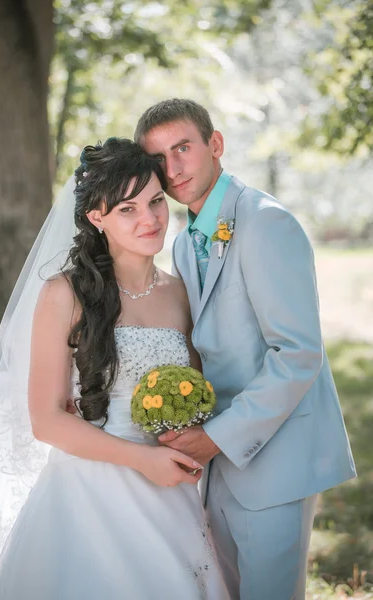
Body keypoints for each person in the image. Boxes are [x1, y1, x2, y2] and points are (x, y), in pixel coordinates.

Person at [0, 138, 230, 600]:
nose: (149, 219)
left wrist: (184, 435)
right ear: (97, 217)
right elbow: (47, 420)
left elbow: (196, 392)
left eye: (155, 202)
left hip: (168, 489)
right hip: (85, 491)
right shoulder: (64, 294)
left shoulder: (182, 294)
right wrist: (143, 459)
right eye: (127, 210)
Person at [135, 98, 357, 600]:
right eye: (158, 158)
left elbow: (297, 354)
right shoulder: (181, 240)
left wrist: (216, 437)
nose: (172, 169)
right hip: (219, 473)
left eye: (183, 148)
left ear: (215, 145)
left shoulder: (264, 222)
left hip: (276, 459)